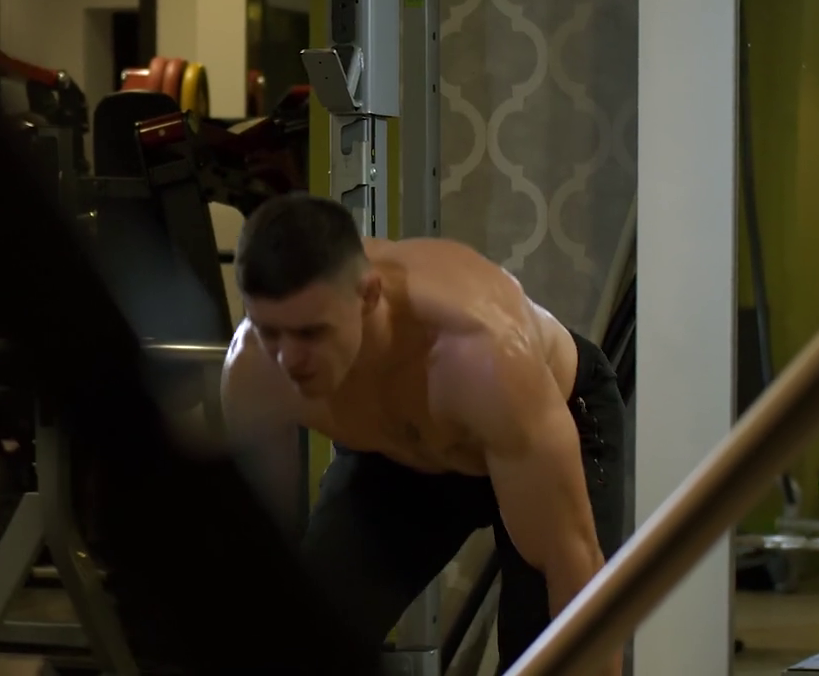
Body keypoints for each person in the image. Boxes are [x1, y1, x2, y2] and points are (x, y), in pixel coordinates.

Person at [221, 194, 626, 676]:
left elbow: (574, 572)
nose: (288, 360)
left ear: (368, 296)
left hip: (541, 415)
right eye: (269, 332)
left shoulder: (480, 354)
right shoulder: (252, 372)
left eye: (311, 333)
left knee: (547, 653)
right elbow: (257, 562)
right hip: (400, 456)